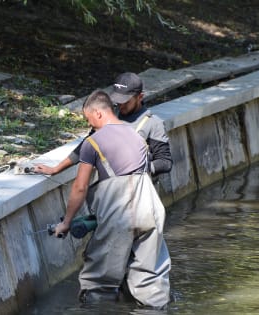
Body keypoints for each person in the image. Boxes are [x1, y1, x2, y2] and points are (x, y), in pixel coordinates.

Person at [54, 89, 171, 308]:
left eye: (89, 119)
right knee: (151, 281)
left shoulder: (93, 143)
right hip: (151, 211)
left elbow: (80, 187)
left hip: (119, 216)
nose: (91, 125)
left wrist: (66, 222)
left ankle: (98, 309)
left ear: (97, 114)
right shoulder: (137, 137)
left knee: (99, 283)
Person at [34, 72, 172, 179]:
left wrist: (138, 168)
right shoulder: (110, 116)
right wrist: (56, 169)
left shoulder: (153, 124)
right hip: (112, 192)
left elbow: (165, 162)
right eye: (118, 100)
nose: (121, 105)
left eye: (126, 101)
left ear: (140, 97)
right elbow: (86, 145)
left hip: (140, 193)